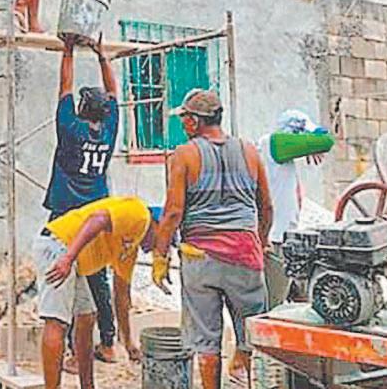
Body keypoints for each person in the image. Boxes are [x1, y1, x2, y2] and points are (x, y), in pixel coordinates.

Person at [151, 89, 273, 389]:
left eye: (184, 119)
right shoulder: (249, 151)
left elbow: (173, 212)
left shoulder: (184, 155)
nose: (183, 124)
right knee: (251, 334)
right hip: (245, 255)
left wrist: (160, 256)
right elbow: (266, 207)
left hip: (200, 257)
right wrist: (260, 241)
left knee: (206, 341)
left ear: (195, 121)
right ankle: (249, 378)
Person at [43, 37, 120, 371]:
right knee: (97, 278)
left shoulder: (70, 128)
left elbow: (64, 87)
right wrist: (102, 56)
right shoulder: (109, 130)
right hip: (96, 213)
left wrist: (68, 50)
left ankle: (74, 350)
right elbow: (114, 92)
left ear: (82, 109)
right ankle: (109, 343)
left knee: (64, 279)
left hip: (66, 214)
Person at [33, 197, 158, 389]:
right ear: (158, 224)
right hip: (59, 246)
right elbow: (97, 219)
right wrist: (68, 258)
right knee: (56, 321)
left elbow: (121, 298)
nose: (156, 248)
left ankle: (88, 386)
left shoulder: (129, 248)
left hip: (72, 257)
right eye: (163, 239)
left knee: (87, 317)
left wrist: (128, 343)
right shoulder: (140, 213)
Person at [258, 109, 334, 308]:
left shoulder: (280, 157)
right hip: (276, 240)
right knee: (273, 306)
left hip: (285, 237)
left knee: (300, 301)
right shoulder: (274, 143)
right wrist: (311, 130)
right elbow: (325, 140)